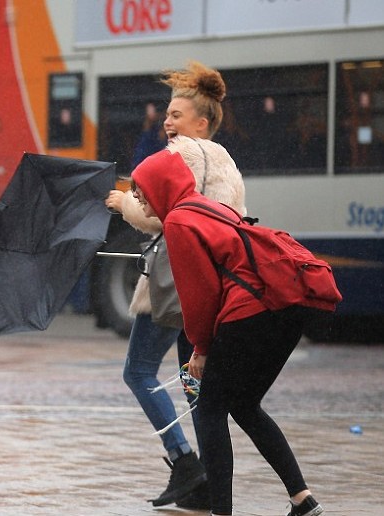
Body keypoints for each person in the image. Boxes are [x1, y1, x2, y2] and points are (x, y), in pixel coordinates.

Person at [129, 149, 325, 516]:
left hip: (252, 311)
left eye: (140, 189)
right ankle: (303, 500)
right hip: (286, 306)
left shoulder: (178, 223)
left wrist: (200, 349)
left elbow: (201, 296)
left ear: (159, 186)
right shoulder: (206, 207)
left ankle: (221, 512)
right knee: (244, 405)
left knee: (209, 410)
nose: (137, 197)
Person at [104, 60, 243, 509]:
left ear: (201, 123)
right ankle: (207, 487)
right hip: (215, 286)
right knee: (194, 384)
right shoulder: (228, 163)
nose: (167, 122)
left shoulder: (181, 154)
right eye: (166, 115)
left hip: (176, 281)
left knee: (139, 371)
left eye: (176, 116)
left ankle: (184, 461)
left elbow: (158, 216)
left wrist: (123, 202)